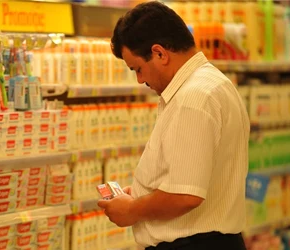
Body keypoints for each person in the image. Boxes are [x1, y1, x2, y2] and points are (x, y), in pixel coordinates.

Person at [97, 2, 250, 250]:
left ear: (159, 53)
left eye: (138, 69)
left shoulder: (192, 98)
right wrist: (143, 194)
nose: (140, 80)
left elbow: (185, 195)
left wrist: (133, 210)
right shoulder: (214, 83)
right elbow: (189, 179)